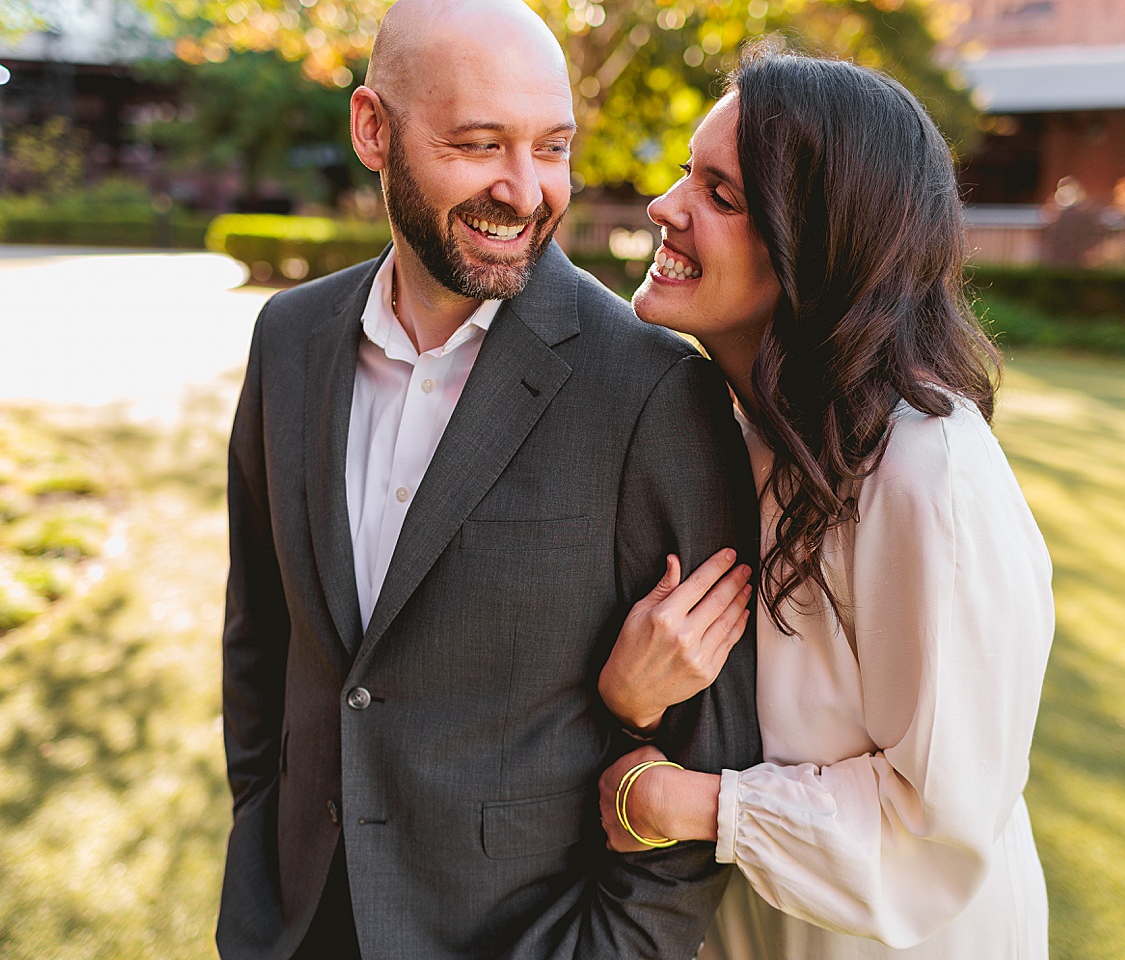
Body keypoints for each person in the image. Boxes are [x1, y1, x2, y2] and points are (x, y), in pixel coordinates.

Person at [215, 2, 761, 958]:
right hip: (292, 920)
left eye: (552, 147)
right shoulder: (289, 340)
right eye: (479, 145)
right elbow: (259, 635)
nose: (525, 190)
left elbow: (707, 750)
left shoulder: (652, 389)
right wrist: (260, 835)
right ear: (373, 130)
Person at [596, 48, 1054, 959]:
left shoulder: (930, 474)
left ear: (821, 244)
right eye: (687, 173)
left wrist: (675, 800)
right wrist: (629, 702)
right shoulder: (718, 427)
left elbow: (936, 826)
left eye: (722, 197)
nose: (665, 207)